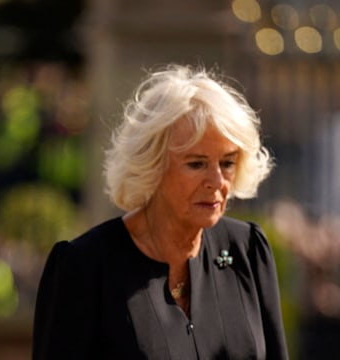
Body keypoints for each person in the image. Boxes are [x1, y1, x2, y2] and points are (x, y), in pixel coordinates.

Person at [32, 64, 288, 359]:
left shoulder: (247, 249)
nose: (217, 181)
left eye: (227, 163)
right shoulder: (85, 266)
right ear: (151, 165)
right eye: (197, 163)